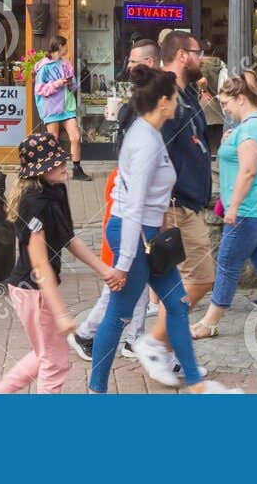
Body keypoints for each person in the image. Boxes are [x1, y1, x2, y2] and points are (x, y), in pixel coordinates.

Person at [88, 64, 239, 394]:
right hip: (136, 233)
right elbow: (133, 207)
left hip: (146, 234)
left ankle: (197, 384)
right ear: (163, 102)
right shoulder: (146, 142)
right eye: (174, 99)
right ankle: (96, 390)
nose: (178, 105)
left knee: (177, 303)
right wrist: (124, 264)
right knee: (119, 315)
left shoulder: (149, 134)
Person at [0, 132, 119, 393]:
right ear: (40, 170)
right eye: (56, 162)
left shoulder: (56, 189)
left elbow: (69, 238)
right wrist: (61, 312)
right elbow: (39, 265)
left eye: (62, 159)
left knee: (43, 355)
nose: (64, 164)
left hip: (35, 291)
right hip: (33, 291)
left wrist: (104, 270)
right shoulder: (33, 203)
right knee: (55, 362)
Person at [129, 29, 215, 387]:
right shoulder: (166, 97)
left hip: (187, 202)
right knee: (201, 278)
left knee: (176, 286)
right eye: (198, 53)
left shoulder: (187, 93)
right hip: (175, 205)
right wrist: (159, 208)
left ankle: (167, 351)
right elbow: (153, 152)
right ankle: (154, 343)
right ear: (182, 55)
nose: (202, 58)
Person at [68, 38, 159, 363]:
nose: (129, 66)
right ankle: (88, 334)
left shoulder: (144, 104)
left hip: (143, 207)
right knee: (125, 277)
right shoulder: (137, 110)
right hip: (131, 209)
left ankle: (130, 338)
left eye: (134, 61)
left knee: (136, 277)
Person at [190, 79, 257, 339]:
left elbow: (248, 170)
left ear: (240, 98)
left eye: (225, 103)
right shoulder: (253, 126)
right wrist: (231, 139)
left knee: (227, 263)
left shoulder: (250, 130)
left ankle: (210, 322)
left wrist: (234, 206)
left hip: (249, 209)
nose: (223, 108)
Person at [34, 36, 89, 181]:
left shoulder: (66, 63)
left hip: (67, 106)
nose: (67, 48)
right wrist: (57, 84)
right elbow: (39, 89)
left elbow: (74, 86)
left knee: (76, 137)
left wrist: (71, 83)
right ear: (59, 46)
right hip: (51, 108)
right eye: (65, 45)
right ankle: (51, 171)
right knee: (54, 140)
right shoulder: (44, 67)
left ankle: (77, 170)